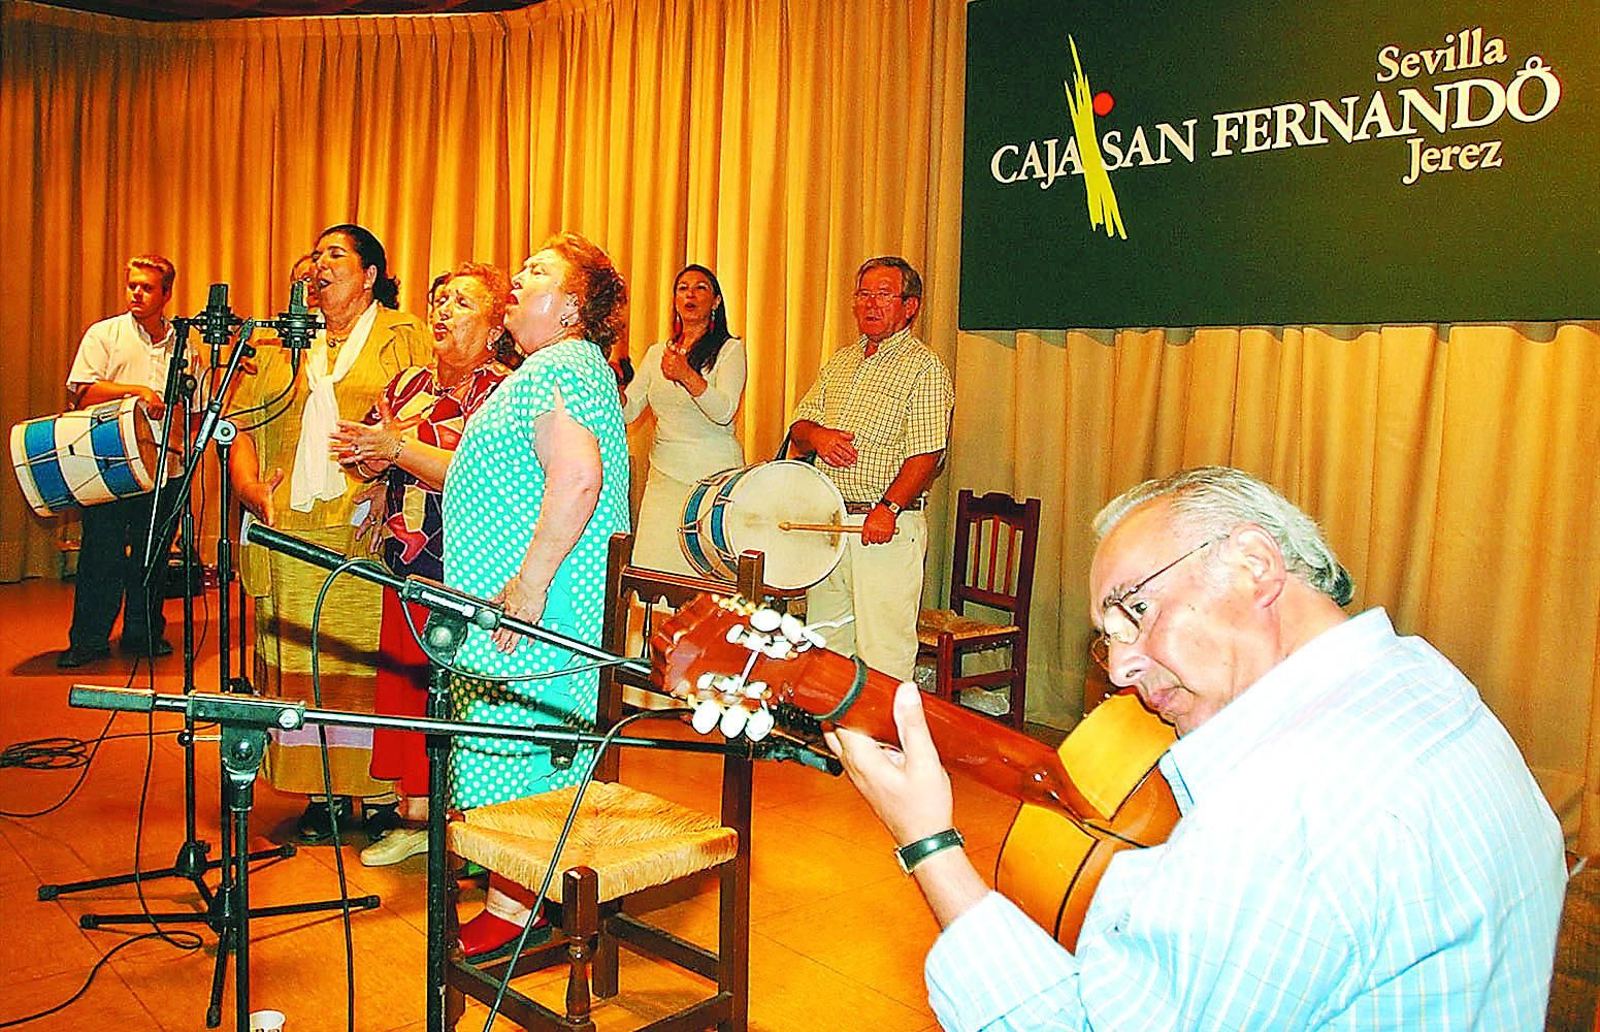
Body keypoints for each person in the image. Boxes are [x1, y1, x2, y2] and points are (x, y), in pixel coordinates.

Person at [828, 466, 1566, 1030]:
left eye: (1137, 612)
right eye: (1108, 638)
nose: (1119, 669)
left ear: (1253, 564)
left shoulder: (1284, 806)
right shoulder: (1426, 684)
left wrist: (929, 842)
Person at [439, 233, 630, 956]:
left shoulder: (566, 366)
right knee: (508, 750)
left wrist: (529, 582)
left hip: (536, 610)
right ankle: (514, 898)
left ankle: (518, 912)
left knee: (521, 756)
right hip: (521, 604)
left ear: (574, 305)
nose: (517, 278)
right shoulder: (552, 368)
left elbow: (579, 479)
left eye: (538, 272)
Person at [230, 225, 432, 844]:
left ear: (370, 275)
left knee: (362, 661)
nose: (319, 266)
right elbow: (237, 425)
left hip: (362, 524)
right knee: (302, 659)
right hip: (285, 523)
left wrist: (386, 485)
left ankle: (374, 793)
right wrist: (248, 489)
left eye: (335, 256)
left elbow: (423, 420)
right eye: (314, 255)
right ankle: (318, 790)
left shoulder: (405, 336)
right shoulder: (280, 339)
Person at [327, 262, 514, 866]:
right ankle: (416, 814)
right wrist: (369, 459)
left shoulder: (503, 390)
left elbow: (481, 475)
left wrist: (396, 448)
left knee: (461, 695)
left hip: (469, 562)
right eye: (439, 299)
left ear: (493, 325)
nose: (443, 310)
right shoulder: (407, 383)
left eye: (462, 302)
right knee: (408, 689)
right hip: (405, 554)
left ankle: (466, 821)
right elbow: (374, 462)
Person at [788, 256, 954, 681]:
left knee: (884, 654)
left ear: (909, 306)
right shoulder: (841, 361)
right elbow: (798, 429)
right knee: (825, 647)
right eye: (863, 294)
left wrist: (889, 509)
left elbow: (926, 454)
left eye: (884, 294)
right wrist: (819, 436)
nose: (871, 303)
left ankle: (885, 747)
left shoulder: (925, 367)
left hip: (884, 527)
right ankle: (830, 747)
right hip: (830, 525)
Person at [57, 254, 185, 668]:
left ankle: (143, 633)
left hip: (165, 468)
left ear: (166, 294)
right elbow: (82, 392)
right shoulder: (104, 335)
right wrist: (137, 392)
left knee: (153, 555)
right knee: (102, 554)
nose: (136, 293)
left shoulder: (184, 345)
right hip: (110, 466)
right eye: (132, 285)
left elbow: (192, 404)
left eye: (147, 287)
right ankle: (89, 640)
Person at [621, 264, 746, 574]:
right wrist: (609, 382)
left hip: (712, 479)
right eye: (683, 288)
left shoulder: (730, 350)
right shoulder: (655, 353)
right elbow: (629, 411)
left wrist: (687, 375)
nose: (690, 294)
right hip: (664, 475)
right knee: (653, 567)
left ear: (716, 301)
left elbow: (724, 412)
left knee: (704, 571)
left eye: (700, 288)